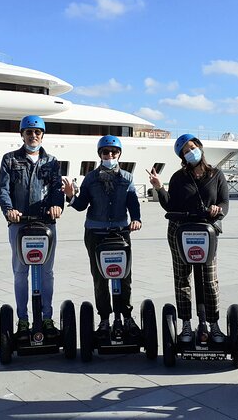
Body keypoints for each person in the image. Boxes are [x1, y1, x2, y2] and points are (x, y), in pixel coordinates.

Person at [148, 134, 229, 343]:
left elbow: (225, 203)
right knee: (182, 278)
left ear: (200, 147)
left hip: (206, 231)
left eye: (192, 148)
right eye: (185, 151)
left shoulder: (216, 175)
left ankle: (213, 324)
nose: (190, 152)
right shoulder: (178, 177)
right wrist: (159, 188)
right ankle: (185, 324)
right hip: (180, 231)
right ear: (182, 157)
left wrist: (217, 210)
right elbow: (170, 205)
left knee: (209, 280)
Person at [61, 135, 142, 338]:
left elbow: (133, 202)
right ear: (100, 155)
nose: (110, 155)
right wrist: (70, 196)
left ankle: (126, 316)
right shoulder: (91, 178)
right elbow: (81, 206)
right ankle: (105, 318)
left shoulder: (127, 178)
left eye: (113, 152)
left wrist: (136, 219)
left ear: (119, 154)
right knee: (99, 278)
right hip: (95, 233)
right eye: (106, 152)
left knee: (125, 277)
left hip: (121, 231)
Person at [0, 115, 64, 339]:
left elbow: (57, 188)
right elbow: (3, 190)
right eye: (29, 132)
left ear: (43, 136)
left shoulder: (52, 162)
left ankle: (46, 317)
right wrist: (9, 210)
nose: (33, 136)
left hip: (46, 223)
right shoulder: (10, 159)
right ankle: (23, 320)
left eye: (37, 133)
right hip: (19, 223)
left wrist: (57, 205)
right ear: (22, 135)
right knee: (20, 271)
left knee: (47, 272)